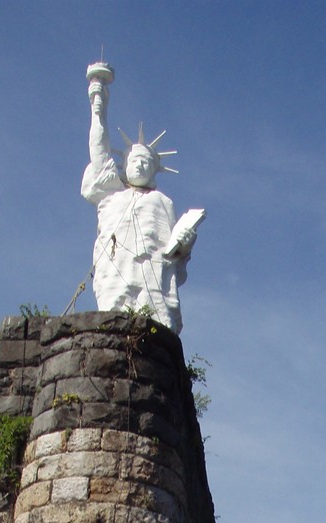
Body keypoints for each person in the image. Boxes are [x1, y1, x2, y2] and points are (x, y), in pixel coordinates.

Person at [81, 64, 201, 334]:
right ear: (124, 165)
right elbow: (99, 155)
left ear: (154, 170)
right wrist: (98, 108)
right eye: (134, 160)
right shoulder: (112, 193)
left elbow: (175, 252)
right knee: (112, 321)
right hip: (116, 270)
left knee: (158, 328)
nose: (139, 166)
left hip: (152, 276)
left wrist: (184, 242)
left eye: (146, 162)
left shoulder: (162, 202)